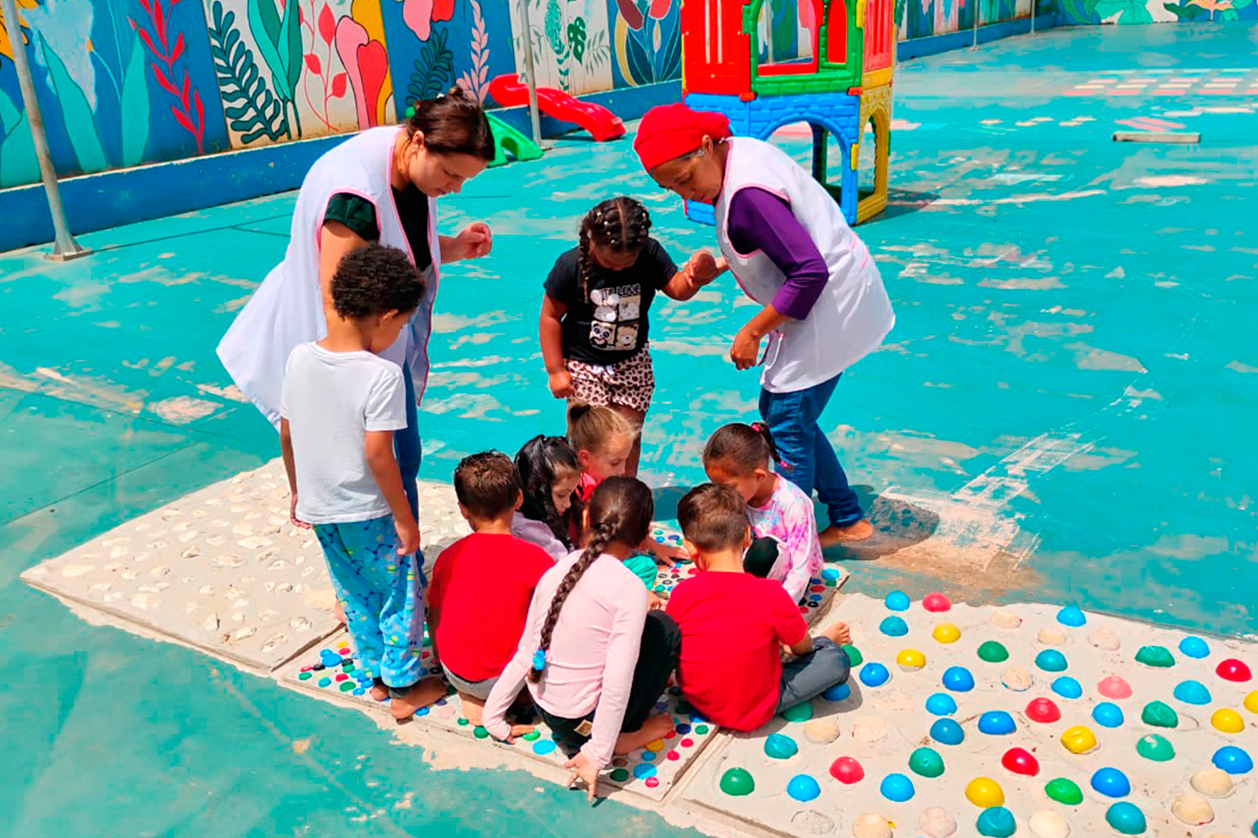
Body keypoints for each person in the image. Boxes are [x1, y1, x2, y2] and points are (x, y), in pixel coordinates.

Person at [219, 88, 497, 521]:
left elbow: (396, 244)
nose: (454, 189)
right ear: (420, 142)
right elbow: (339, 300)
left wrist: (453, 248)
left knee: (399, 456)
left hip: (376, 344)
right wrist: (363, 383)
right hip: (347, 355)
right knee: (374, 466)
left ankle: (393, 556)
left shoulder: (405, 158)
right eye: (450, 174)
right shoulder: (353, 199)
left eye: (464, 180)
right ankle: (395, 557)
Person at [634, 103, 895, 547]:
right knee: (795, 417)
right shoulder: (738, 152)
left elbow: (809, 272)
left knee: (786, 419)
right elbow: (772, 240)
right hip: (826, 297)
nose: (685, 194)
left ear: (703, 147)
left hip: (826, 304)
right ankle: (847, 515)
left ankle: (792, 544)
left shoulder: (747, 195)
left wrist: (753, 330)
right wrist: (721, 263)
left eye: (684, 180)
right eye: (671, 188)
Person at [278, 244, 444, 720]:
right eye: (399, 325)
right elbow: (378, 454)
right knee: (400, 592)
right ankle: (405, 687)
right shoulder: (382, 375)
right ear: (386, 315)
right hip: (369, 511)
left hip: (320, 507)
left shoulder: (299, 359)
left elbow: (288, 432)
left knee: (354, 591)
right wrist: (404, 517)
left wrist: (297, 490)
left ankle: (375, 674)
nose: (397, 334)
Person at [482, 478, 680, 803]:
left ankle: (601, 738)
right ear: (643, 536)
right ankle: (624, 738)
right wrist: (596, 756)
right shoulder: (628, 587)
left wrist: (493, 716)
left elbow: (525, 652)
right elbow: (617, 681)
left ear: (586, 517)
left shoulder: (559, 567)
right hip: (584, 728)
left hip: (547, 710)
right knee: (664, 628)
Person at [540, 196, 721, 476]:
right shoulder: (571, 265)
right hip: (584, 365)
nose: (619, 269)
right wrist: (555, 371)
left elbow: (678, 289)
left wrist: (696, 277)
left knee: (628, 436)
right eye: (610, 263)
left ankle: (624, 491)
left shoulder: (649, 254)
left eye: (627, 263)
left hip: (632, 363)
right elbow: (550, 317)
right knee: (590, 441)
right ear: (592, 240)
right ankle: (586, 498)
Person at [667, 483, 851, 733]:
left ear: (690, 547)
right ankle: (826, 642)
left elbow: (678, 646)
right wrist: (814, 645)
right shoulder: (770, 594)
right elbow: (802, 649)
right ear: (747, 535)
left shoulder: (682, 594)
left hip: (699, 700)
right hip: (756, 708)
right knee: (834, 659)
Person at [428, 452, 555, 725]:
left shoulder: (449, 556)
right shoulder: (536, 560)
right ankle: (505, 697)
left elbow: (434, 616)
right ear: (519, 499)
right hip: (506, 680)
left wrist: (441, 657)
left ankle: (470, 693)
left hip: (452, 670)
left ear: (463, 509)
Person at [702, 422, 821, 604]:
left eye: (727, 487)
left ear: (759, 476)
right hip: (751, 567)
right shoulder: (742, 493)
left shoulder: (793, 503)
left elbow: (801, 568)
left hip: (785, 577)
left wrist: (779, 609)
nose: (722, 494)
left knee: (764, 552)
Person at [568, 402, 684, 566]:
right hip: (582, 556)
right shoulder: (580, 489)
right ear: (585, 458)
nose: (622, 470)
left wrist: (655, 546)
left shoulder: (599, 479)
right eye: (615, 463)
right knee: (645, 566)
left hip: (591, 550)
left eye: (625, 460)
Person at [513, 434, 583, 560]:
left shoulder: (525, 520)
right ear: (535, 491)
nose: (568, 504)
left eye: (570, 494)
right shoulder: (527, 531)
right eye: (561, 495)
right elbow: (565, 566)